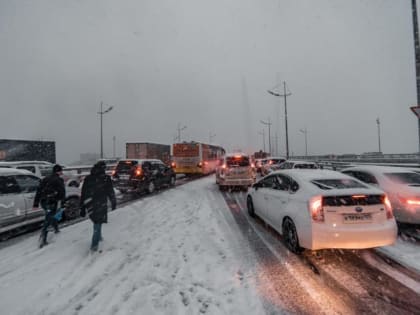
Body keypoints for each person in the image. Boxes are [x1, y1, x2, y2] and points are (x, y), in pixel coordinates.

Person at [80, 161, 116, 252]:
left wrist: (83, 207)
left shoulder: (88, 178)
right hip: (101, 203)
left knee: (96, 221)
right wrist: (113, 202)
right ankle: (94, 245)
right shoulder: (105, 178)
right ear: (103, 168)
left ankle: (99, 237)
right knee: (98, 223)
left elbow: (83, 193)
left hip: (90, 204)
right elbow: (110, 192)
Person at [33, 164, 66, 248]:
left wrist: (36, 203)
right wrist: (63, 203)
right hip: (52, 201)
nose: (62, 172)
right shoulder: (59, 180)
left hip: (43, 201)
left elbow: (39, 191)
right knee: (48, 219)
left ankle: (56, 230)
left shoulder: (45, 179)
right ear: (59, 171)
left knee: (50, 215)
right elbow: (62, 193)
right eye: (61, 171)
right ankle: (43, 238)